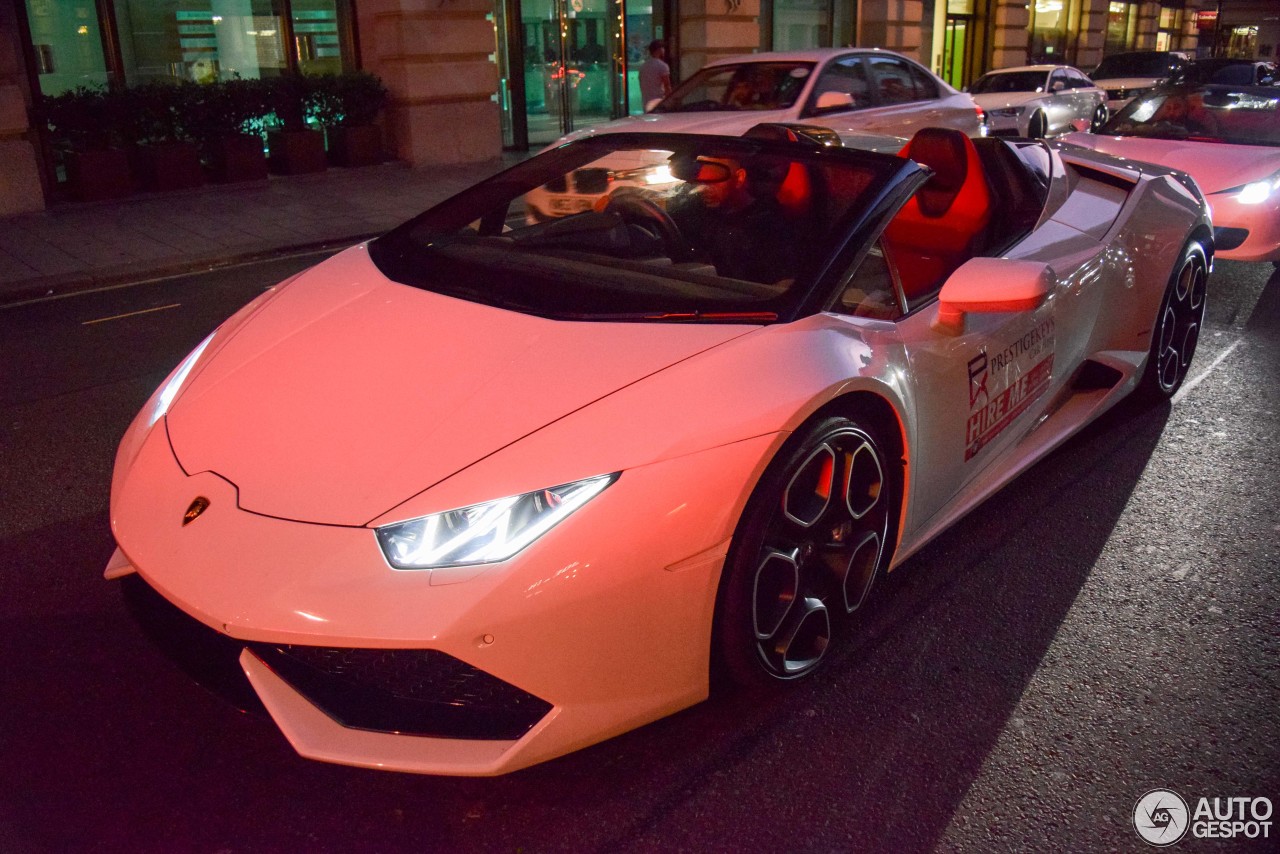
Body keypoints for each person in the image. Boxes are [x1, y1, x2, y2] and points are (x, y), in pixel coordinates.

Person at [639, 40, 672, 108]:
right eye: (663, 48)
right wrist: (670, 100)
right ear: (659, 50)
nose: (664, 50)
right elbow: (667, 86)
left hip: (646, 101)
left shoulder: (643, 66)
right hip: (659, 101)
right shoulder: (662, 66)